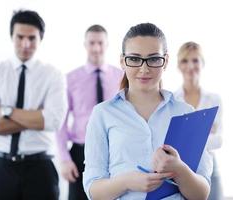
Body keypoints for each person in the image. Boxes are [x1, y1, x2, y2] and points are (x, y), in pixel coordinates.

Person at [83, 23, 213, 200]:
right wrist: (126, 182)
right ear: (122, 61)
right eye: (135, 59)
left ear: (165, 61)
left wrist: (179, 169)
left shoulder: (186, 114)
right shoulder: (102, 114)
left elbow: (201, 194)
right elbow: (93, 190)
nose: (144, 69)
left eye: (153, 59)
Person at [0, 10, 67, 200]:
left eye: (32, 38)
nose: (25, 44)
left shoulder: (53, 75)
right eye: (20, 37)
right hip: (1, 166)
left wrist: (7, 112)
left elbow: (54, 121)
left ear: (40, 39)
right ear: (12, 36)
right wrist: (36, 116)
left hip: (40, 167)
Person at [56, 24, 123, 200]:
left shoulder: (121, 77)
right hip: (81, 153)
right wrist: (64, 159)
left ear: (107, 45)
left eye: (100, 43)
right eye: (92, 43)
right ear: (85, 44)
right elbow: (60, 122)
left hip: (114, 152)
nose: (96, 48)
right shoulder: (70, 79)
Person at [175, 41, 223, 200]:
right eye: (185, 60)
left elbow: (218, 140)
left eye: (195, 60)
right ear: (178, 65)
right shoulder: (173, 100)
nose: (190, 66)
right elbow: (173, 140)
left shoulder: (214, 99)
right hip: (181, 166)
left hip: (209, 165)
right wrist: (203, 133)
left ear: (202, 63)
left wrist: (189, 137)